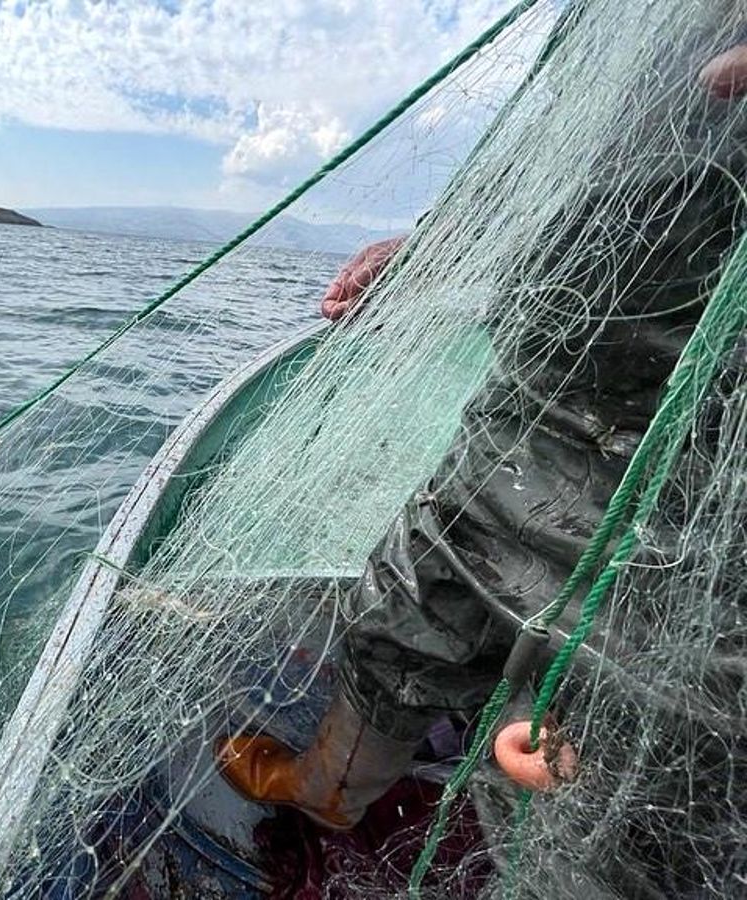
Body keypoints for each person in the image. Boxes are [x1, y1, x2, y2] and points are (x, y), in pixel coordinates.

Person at [215, 36, 747, 835]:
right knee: (416, 590)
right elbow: (573, 135)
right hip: (542, 375)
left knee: (628, 699)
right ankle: (330, 788)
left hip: (700, 436)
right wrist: (443, 243)